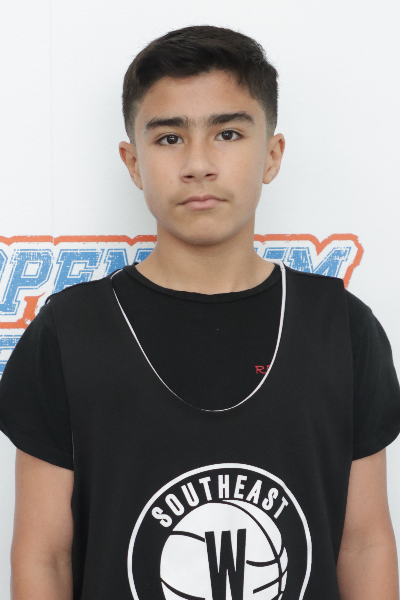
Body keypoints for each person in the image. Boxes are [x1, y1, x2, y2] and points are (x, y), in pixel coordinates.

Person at [1, 24, 400, 600]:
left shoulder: (341, 327)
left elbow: (363, 543)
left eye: (228, 133)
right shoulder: (69, 332)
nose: (198, 163)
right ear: (133, 162)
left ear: (272, 154)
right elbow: (45, 557)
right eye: (169, 138)